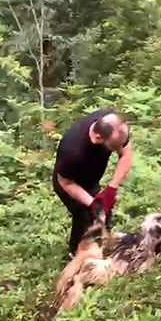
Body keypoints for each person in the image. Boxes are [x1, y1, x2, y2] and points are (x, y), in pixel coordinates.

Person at [52, 109, 134, 257]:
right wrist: (92, 203)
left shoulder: (112, 123)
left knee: (104, 214)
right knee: (85, 216)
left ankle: (103, 250)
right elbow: (65, 182)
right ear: (98, 138)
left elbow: (126, 155)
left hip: (91, 178)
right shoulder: (73, 149)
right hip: (69, 182)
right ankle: (76, 255)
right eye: (113, 147)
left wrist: (111, 188)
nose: (118, 149)